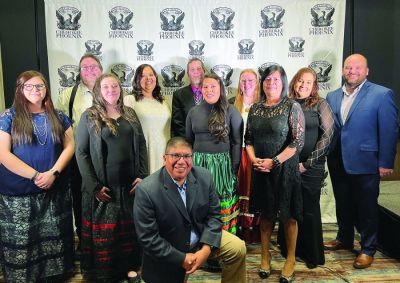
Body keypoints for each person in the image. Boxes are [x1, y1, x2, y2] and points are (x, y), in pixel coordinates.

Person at [133, 137, 247, 283]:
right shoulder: (147, 190)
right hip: (171, 249)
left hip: (200, 237)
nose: (181, 161)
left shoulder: (204, 176)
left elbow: (214, 216)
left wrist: (206, 249)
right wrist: (182, 258)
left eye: (187, 156)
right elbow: (147, 238)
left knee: (237, 248)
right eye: (175, 156)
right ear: (164, 158)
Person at [324, 54, 398, 269]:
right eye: (348, 67)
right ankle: (344, 238)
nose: (352, 71)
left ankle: (367, 248)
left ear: (367, 71)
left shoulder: (382, 95)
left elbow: (389, 130)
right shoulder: (332, 96)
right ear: (342, 70)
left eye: (357, 68)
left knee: (367, 208)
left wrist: (386, 162)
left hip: (367, 162)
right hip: (338, 160)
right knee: (343, 203)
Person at [0, 70, 75, 282]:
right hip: (18, 194)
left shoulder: (59, 116)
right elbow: (2, 154)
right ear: (20, 90)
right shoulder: (8, 117)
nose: (35, 90)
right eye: (29, 86)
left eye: (39, 86)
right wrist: (35, 176)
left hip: (54, 189)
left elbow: (70, 145)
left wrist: (53, 173)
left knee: (54, 236)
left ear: (46, 89)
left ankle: (55, 275)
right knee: (23, 240)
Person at [75, 73, 148, 282]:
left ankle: (130, 268)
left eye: (115, 86)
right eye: (106, 87)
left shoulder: (131, 114)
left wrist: (143, 175)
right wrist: (93, 186)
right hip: (103, 188)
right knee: (106, 236)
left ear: (120, 89)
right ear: (98, 90)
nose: (111, 90)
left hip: (129, 188)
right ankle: (106, 273)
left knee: (130, 232)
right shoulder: (89, 116)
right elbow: (81, 153)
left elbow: (141, 146)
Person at [245, 65, 305, 283]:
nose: (271, 83)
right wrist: (254, 160)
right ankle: (264, 255)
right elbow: (248, 140)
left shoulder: (292, 106)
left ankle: (290, 258)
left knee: (288, 216)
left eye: (276, 80)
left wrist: (276, 161)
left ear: (283, 82)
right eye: (268, 79)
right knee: (266, 214)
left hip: (285, 169)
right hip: (261, 168)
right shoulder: (255, 108)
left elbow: (297, 142)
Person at [278, 67, 334, 269]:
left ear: (314, 87)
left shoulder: (321, 104)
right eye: (300, 81)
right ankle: (289, 249)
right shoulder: (286, 104)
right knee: (290, 207)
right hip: (288, 165)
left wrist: (307, 163)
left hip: (311, 166)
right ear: (294, 82)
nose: (303, 85)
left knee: (309, 209)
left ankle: (312, 253)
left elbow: (327, 136)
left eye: (308, 83)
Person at [186, 73, 243, 234]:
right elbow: (188, 142)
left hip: (222, 166)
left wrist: (233, 168)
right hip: (198, 165)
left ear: (220, 89)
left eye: (213, 86)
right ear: (201, 89)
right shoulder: (193, 112)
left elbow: (237, 142)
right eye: (206, 87)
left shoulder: (231, 111)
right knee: (199, 202)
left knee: (220, 202)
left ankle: (223, 240)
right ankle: (200, 240)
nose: (209, 90)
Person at [56, 53, 103, 247]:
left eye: (94, 66)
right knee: (80, 197)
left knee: (107, 196)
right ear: (79, 71)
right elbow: (59, 127)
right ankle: (85, 241)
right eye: (85, 67)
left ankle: (105, 239)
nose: (90, 70)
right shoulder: (68, 95)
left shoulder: (111, 90)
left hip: (106, 157)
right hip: (79, 157)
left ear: (101, 69)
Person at [232, 69, 261, 244]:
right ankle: (238, 226)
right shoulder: (232, 103)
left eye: (250, 80)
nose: (247, 83)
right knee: (238, 189)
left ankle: (252, 228)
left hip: (255, 153)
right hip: (237, 152)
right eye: (243, 80)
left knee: (252, 189)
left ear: (257, 82)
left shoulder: (262, 103)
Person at [124, 64, 171, 174]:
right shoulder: (130, 100)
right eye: (143, 76)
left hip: (164, 154)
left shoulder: (164, 102)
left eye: (151, 75)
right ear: (137, 79)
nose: (148, 78)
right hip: (143, 155)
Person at [171, 58, 206, 137]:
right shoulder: (178, 95)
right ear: (188, 74)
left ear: (204, 71)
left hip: (208, 143)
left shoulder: (212, 93)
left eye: (199, 69)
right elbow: (178, 125)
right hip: (187, 143)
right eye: (192, 70)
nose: (196, 72)